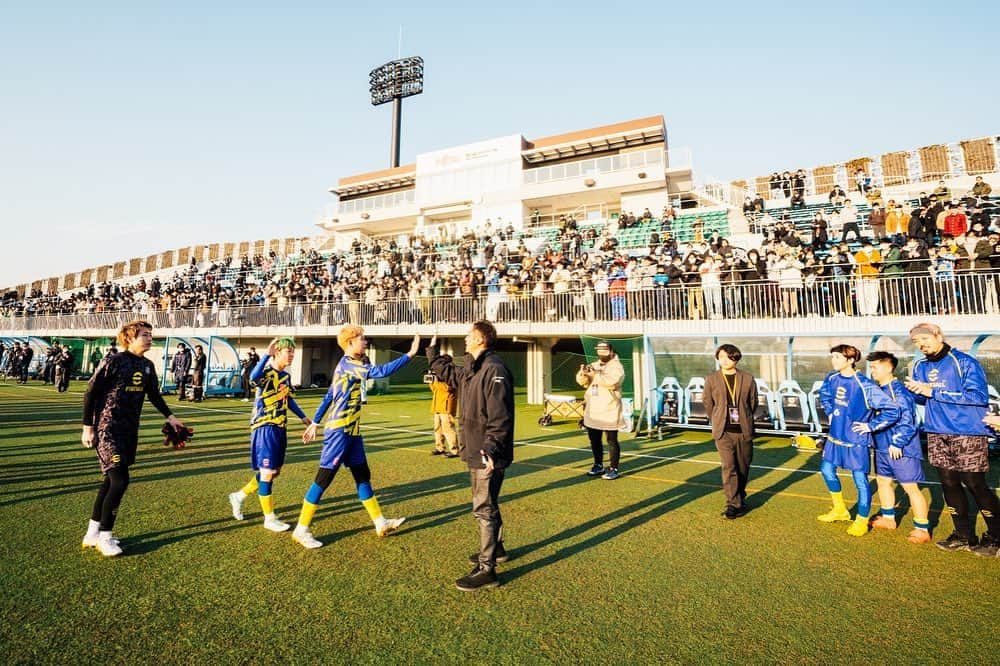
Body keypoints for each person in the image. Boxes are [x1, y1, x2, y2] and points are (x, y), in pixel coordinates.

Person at [290, 327, 418, 549]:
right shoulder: (349, 364)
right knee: (323, 479)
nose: (365, 341)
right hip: (339, 431)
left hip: (352, 432)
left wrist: (315, 422)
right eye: (361, 338)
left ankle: (380, 522)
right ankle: (301, 529)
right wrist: (410, 354)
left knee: (362, 475)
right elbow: (380, 372)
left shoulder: (350, 364)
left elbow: (330, 394)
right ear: (349, 342)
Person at [80, 320, 188, 557]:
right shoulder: (113, 361)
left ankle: (92, 533)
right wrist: (88, 427)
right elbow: (91, 391)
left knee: (109, 481)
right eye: (144, 335)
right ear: (129, 338)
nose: (149, 338)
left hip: (129, 431)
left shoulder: (148, 365)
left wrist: (171, 417)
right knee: (120, 481)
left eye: (151, 334)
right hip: (107, 429)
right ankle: (106, 537)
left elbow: (154, 395)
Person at [427, 322, 514, 592]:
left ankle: (487, 569)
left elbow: (500, 417)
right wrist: (433, 351)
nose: (465, 339)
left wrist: (490, 448)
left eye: (468, 336)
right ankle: (496, 549)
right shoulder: (473, 369)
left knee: (483, 508)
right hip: (477, 448)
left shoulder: (494, 369)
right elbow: (449, 373)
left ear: (479, 339)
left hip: (487, 453)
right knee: (489, 504)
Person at [905, 323, 1000, 556]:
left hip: (967, 431)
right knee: (948, 483)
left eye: (925, 339)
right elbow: (924, 400)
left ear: (938, 335)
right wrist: (915, 393)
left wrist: (932, 391)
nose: (921, 345)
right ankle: (963, 535)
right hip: (937, 431)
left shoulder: (964, 362)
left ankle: (996, 537)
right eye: (916, 342)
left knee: (975, 484)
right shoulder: (920, 365)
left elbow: (978, 397)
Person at [229, 338, 312, 532]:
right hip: (264, 426)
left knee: (274, 472)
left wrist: (303, 417)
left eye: (293, 352)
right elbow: (253, 377)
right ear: (277, 352)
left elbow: (288, 400)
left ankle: (239, 496)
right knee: (267, 473)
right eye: (288, 352)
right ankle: (269, 518)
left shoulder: (285, 377)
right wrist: (266, 353)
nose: (291, 355)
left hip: (280, 427)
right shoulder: (266, 372)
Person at [817, 345, 899, 537]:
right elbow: (825, 395)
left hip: (855, 441)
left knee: (860, 480)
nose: (834, 361)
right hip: (835, 436)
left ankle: (861, 520)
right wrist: (829, 411)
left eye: (838, 357)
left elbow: (892, 410)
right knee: (826, 470)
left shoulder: (865, 385)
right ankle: (840, 510)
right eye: (833, 357)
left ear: (851, 360)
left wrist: (870, 426)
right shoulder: (832, 378)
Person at [865, 352, 931, 544]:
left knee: (911, 487)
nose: (872, 371)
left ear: (888, 367)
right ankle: (888, 518)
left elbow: (908, 420)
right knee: (883, 482)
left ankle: (922, 529)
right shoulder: (879, 390)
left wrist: (898, 442)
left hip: (900, 448)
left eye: (875, 367)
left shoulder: (898, 391)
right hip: (882, 446)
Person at [702, 344, 759, 519]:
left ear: (736, 358)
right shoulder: (711, 379)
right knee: (729, 466)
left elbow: (753, 402)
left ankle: (740, 497)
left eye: (728, 357)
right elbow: (708, 403)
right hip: (722, 430)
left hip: (743, 429)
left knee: (743, 467)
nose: (724, 360)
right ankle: (733, 504)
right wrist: (717, 418)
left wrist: (745, 417)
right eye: (721, 357)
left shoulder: (748, 378)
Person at [576, 340, 625, 480]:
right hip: (593, 409)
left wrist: (597, 374)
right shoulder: (594, 365)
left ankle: (613, 468)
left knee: (611, 440)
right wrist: (582, 374)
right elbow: (584, 383)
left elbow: (612, 382)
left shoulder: (617, 366)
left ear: (610, 351)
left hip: (609, 408)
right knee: (594, 439)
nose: (601, 353)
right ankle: (598, 465)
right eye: (599, 350)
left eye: (604, 350)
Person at [429, 372, 460, 457]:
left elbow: (448, 388)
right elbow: (434, 389)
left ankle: (455, 450)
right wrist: (431, 382)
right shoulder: (438, 381)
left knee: (448, 428)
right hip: (437, 406)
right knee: (437, 429)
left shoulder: (451, 376)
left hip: (446, 407)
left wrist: (436, 381)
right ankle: (440, 448)